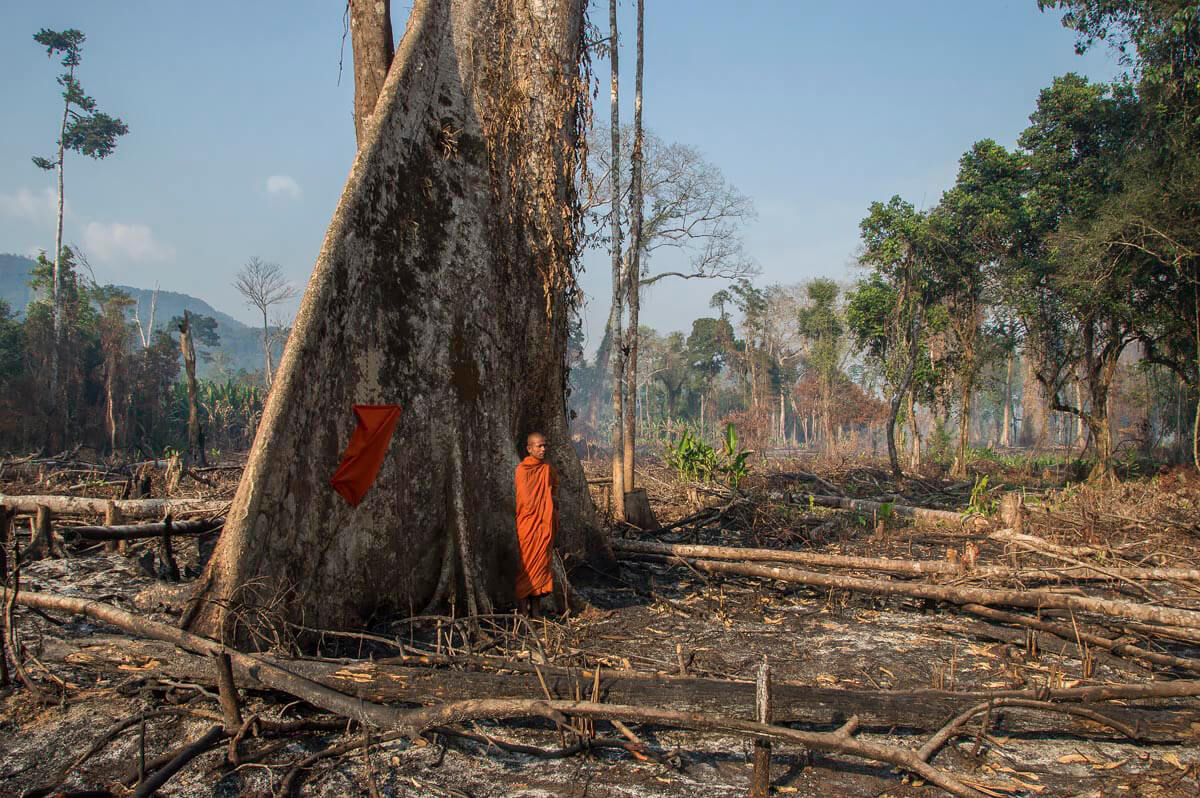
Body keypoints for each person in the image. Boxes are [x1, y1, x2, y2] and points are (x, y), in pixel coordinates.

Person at [514, 431, 558, 616]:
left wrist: (550, 506)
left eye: (545, 445)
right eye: (539, 446)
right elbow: (525, 500)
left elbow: (553, 490)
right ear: (529, 448)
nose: (543, 449)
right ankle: (524, 612)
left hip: (544, 525)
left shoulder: (548, 469)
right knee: (527, 567)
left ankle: (537, 613)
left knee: (540, 566)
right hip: (528, 525)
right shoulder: (522, 470)